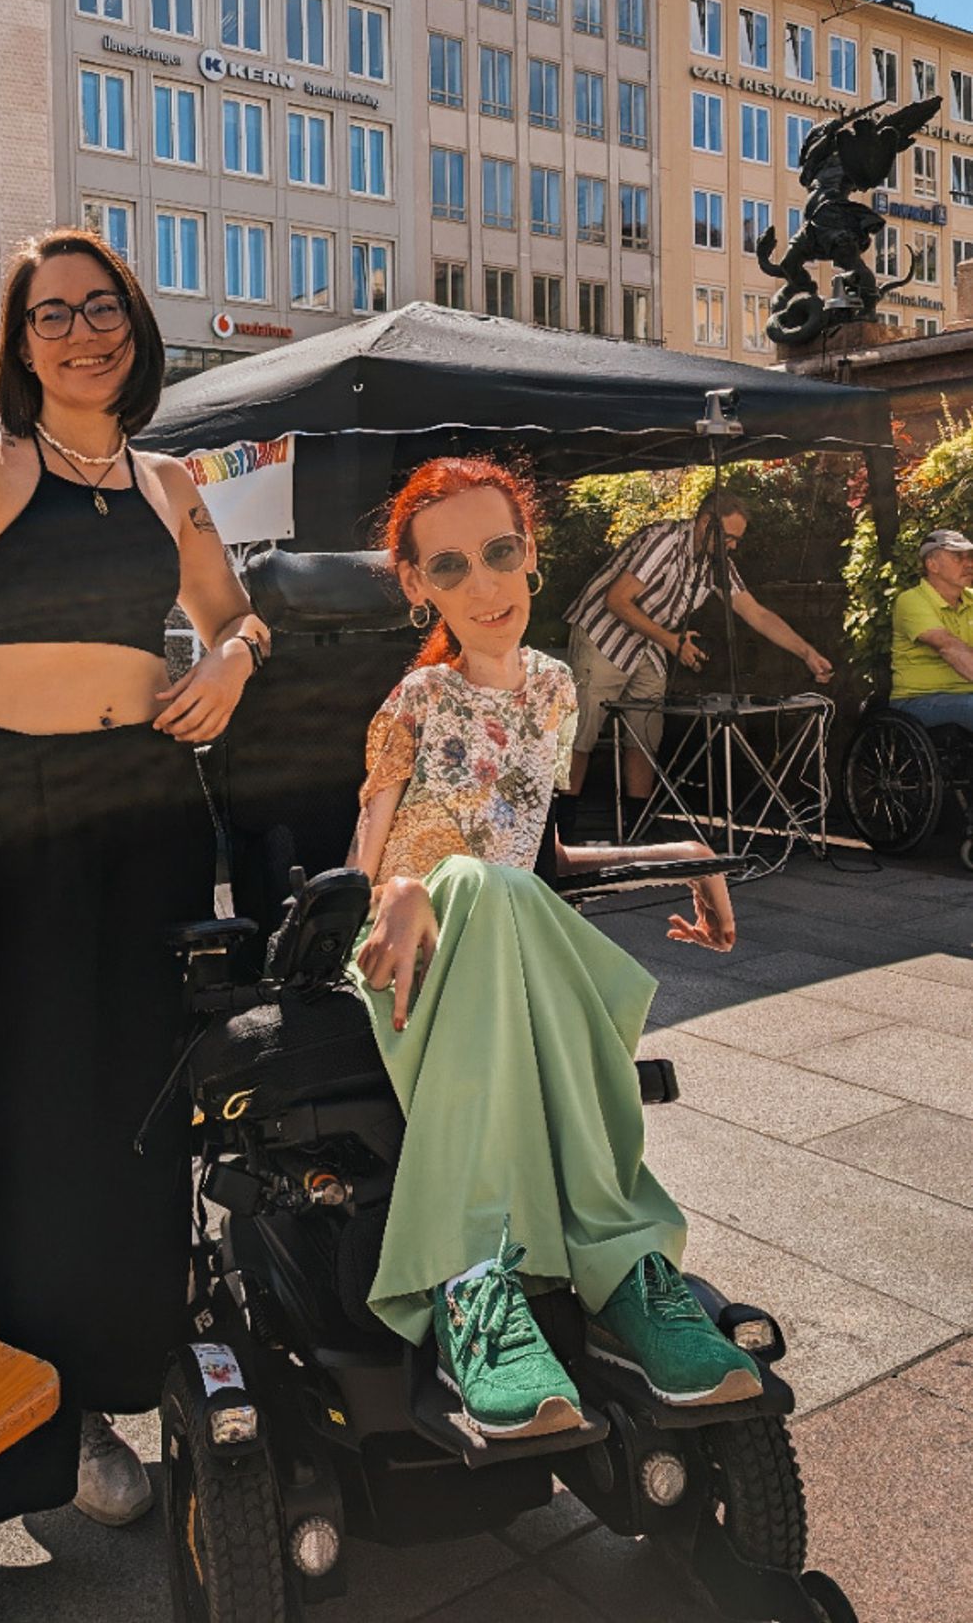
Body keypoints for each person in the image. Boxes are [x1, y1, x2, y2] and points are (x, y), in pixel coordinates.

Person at [0, 227, 272, 1621]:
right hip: (13, 816)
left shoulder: (173, 482)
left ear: (133, 321)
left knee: (142, 1135)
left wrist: (227, 658)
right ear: (18, 340)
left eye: (98, 308)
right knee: (35, 1145)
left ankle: (79, 1418)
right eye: (49, 315)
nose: (77, 333)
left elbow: (237, 620)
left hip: (149, 815)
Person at [346, 457, 760, 1442]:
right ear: (416, 584)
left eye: (501, 553)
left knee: (517, 897)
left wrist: (684, 847)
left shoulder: (556, 689)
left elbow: (541, 848)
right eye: (450, 567)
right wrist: (400, 890)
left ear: (533, 553)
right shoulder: (415, 703)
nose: (486, 585)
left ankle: (625, 1275)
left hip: (509, 930)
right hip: (408, 957)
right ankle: (475, 1281)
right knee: (490, 895)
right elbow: (368, 864)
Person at [562, 491, 835, 807]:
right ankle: (563, 830)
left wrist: (807, 653)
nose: (732, 546)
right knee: (581, 736)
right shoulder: (663, 541)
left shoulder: (716, 563)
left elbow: (755, 613)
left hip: (648, 643)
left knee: (646, 733)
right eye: (729, 538)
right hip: (603, 634)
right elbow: (617, 600)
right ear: (706, 523)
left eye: (736, 540)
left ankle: (638, 826)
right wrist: (672, 642)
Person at [889, 528, 973, 734]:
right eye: (957, 557)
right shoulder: (911, 601)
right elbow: (948, 647)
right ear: (932, 565)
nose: (969, 564)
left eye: (969, 557)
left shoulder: (970, 599)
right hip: (919, 700)